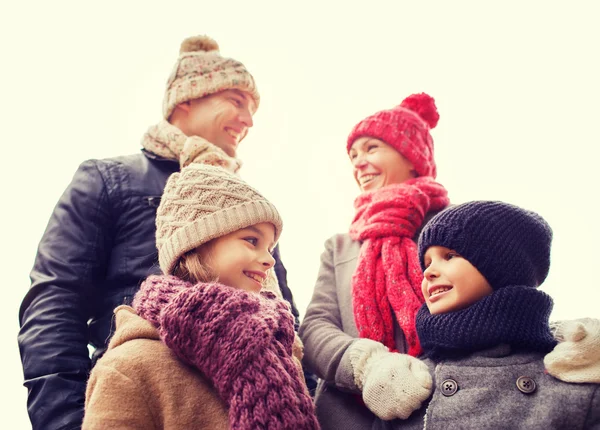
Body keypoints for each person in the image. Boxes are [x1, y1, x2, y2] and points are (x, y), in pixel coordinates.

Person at [18, 35, 302, 430]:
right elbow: (55, 302)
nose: (249, 121)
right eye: (236, 101)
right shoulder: (108, 179)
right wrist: (67, 422)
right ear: (186, 99)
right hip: (145, 402)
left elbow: (285, 311)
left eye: (252, 110)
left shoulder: (249, 208)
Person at [82, 164, 319, 429]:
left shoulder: (279, 353)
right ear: (196, 243)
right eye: (252, 240)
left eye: (270, 248)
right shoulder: (129, 367)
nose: (268, 260)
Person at [374, 200, 600, 429]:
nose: (429, 272)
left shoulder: (574, 374)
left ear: (503, 267)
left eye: (449, 255)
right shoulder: (408, 387)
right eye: (427, 263)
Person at [299, 93, 450, 429]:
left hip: (440, 407)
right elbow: (315, 327)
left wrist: (420, 373)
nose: (358, 162)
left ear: (413, 158)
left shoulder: (454, 227)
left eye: (371, 149)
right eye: (353, 155)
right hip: (346, 417)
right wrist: (367, 366)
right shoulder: (339, 246)